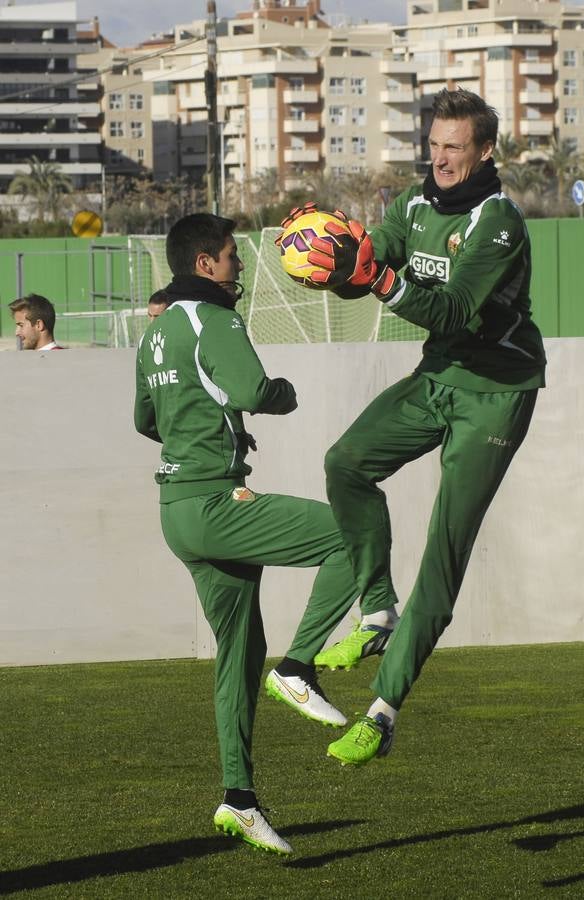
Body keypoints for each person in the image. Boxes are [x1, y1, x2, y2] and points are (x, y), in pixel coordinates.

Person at [278, 88, 546, 766]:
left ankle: (383, 710)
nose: (441, 158)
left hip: (496, 392)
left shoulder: (500, 222)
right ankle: (377, 613)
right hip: (438, 378)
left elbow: (453, 309)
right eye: (434, 146)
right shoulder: (413, 205)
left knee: (442, 554)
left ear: (486, 150)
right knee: (346, 462)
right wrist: (331, 260)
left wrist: (372, 276)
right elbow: (369, 264)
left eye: (455, 147)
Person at [134, 213, 382, 855]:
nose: (239, 266)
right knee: (348, 533)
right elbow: (252, 388)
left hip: (177, 513)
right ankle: (299, 668)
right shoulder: (216, 319)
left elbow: (145, 420)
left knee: (237, 658)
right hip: (217, 504)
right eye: (231, 256)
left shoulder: (155, 336)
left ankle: (238, 799)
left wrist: (203, 440)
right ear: (206, 263)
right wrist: (282, 395)